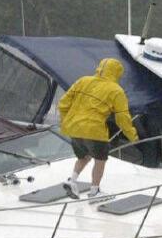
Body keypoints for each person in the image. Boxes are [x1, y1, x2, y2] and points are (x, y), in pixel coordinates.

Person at [58, 58, 139, 200]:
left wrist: (67, 122)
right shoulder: (116, 90)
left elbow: (63, 104)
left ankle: (72, 180)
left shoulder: (83, 81)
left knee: (84, 156)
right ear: (117, 73)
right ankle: (95, 191)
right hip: (94, 131)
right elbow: (122, 118)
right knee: (100, 160)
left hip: (74, 128)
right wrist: (132, 136)